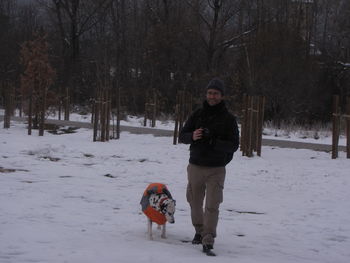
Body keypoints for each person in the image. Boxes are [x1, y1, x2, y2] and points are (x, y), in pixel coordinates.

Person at [179, 77, 239, 256]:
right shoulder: (197, 114)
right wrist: (192, 136)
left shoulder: (229, 119)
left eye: (216, 93)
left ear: (222, 96)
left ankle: (208, 239)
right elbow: (182, 136)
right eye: (210, 93)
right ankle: (199, 230)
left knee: (212, 205)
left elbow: (234, 145)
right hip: (195, 165)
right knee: (195, 202)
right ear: (206, 94)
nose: (212, 96)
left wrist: (214, 140)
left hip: (216, 169)